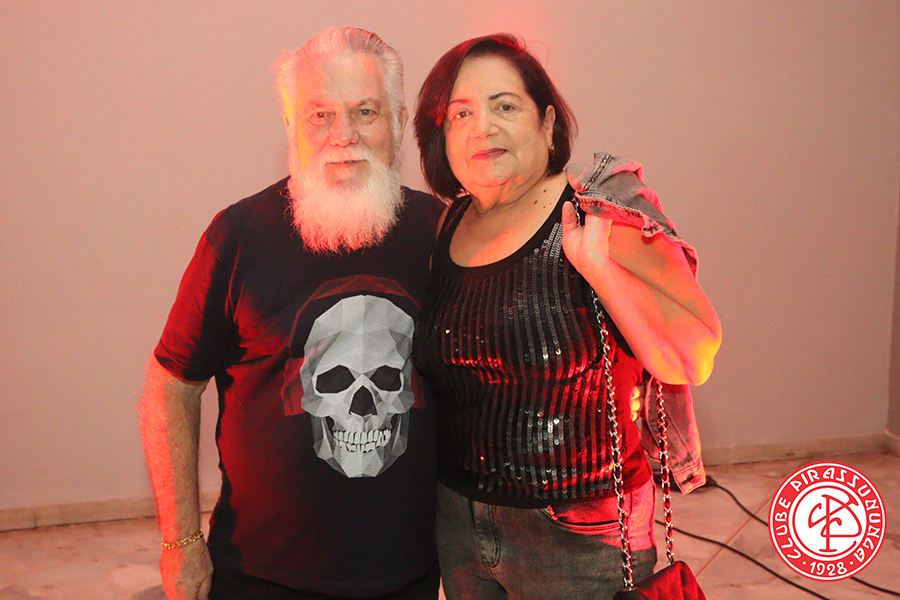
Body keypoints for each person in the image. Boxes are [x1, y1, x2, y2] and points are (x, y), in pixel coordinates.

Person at [412, 34, 722, 599]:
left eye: (505, 106)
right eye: (461, 113)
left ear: (547, 122)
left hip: (581, 537)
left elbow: (694, 355)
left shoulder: (597, 212)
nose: (483, 127)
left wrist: (599, 268)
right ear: (441, 136)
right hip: (459, 529)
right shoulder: (446, 227)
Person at [138, 27, 444, 600]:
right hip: (258, 577)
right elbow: (170, 388)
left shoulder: (443, 236)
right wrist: (180, 542)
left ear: (400, 121)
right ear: (289, 124)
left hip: (409, 577)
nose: (343, 135)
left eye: (365, 111)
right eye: (320, 115)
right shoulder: (236, 238)